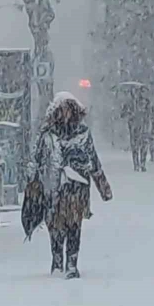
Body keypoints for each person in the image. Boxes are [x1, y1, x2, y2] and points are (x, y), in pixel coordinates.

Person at [32, 92, 113, 279]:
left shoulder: (83, 133)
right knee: (55, 227)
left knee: (74, 226)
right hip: (54, 189)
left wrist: (103, 187)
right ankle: (57, 261)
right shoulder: (47, 134)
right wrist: (34, 185)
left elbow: (93, 160)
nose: (66, 113)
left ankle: (71, 264)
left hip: (77, 188)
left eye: (69, 109)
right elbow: (37, 160)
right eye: (62, 110)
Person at [121, 90, 153, 172]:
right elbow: (122, 114)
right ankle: (136, 164)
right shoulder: (128, 104)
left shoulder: (146, 102)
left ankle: (142, 163)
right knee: (135, 147)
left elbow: (150, 113)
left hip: (144, 127)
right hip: (134, 128)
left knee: (144, 146)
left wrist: (146, 116)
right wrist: (130, 115)